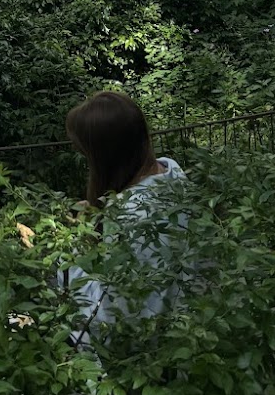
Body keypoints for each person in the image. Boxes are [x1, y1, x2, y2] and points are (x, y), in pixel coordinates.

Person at [62, 91, 188, 345]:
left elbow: (107, 318)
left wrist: (73, 248)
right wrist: (98, 215)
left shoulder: (128, 218)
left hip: (145, 352)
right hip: (185, 325)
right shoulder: (173, 175)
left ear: (104, 159)